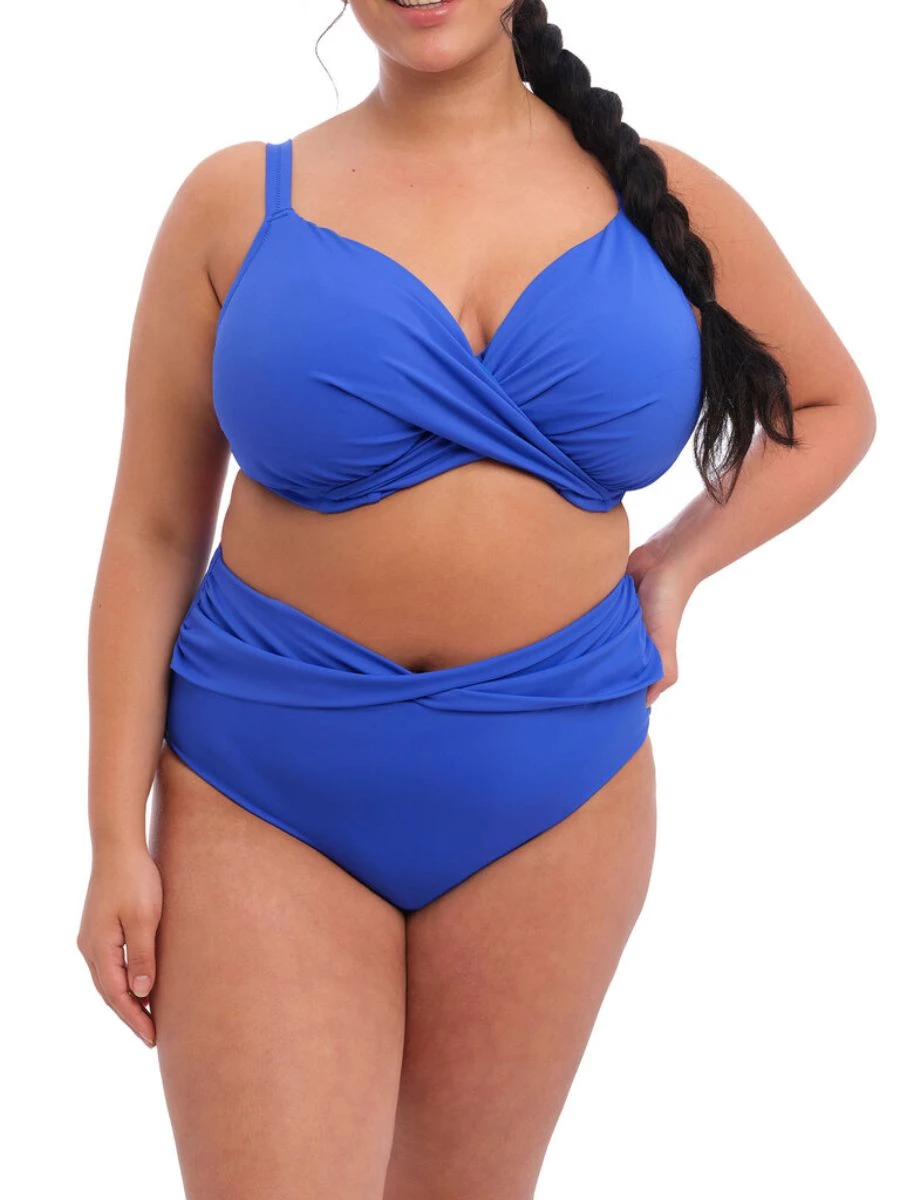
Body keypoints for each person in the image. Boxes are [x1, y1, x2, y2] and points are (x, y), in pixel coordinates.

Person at [76, 1, 876, 1195]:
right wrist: (109, 837)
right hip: (261, 794)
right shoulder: (233, 203)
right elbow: (151, 533)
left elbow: (830, 407)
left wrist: (678, 564)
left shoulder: (660, 198)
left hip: (555, 795)